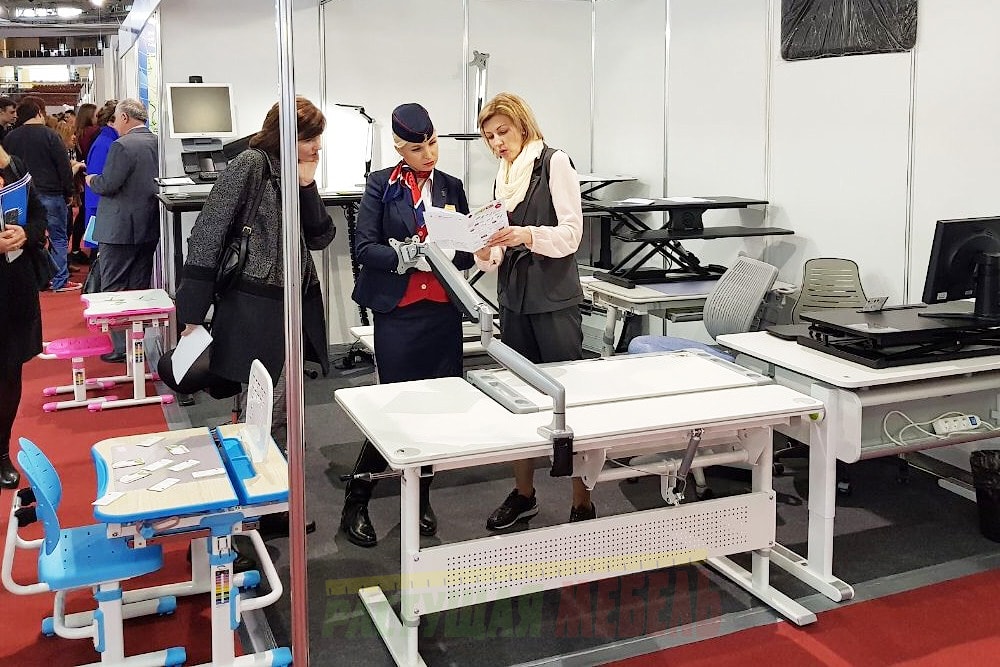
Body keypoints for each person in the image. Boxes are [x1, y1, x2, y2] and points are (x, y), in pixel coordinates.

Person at [339, 103, 474, 548]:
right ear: (400, 148)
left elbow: (466, 251)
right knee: (394, 408)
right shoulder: (382, 185)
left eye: (433, 144)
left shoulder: (451, 187)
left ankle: (420, 499)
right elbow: (365, 248)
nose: (428, 154)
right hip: (398, 312)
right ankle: (357, 498)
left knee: (437, 408)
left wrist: (466, 248)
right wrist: (406, 256)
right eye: (418, 149)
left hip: (442, 313)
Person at [176, 96, 335, 464]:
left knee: (278, 395)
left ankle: (272, 473)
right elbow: (208, 232)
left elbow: (320, 237)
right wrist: (192, 312)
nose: (317, 146)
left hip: (292, 300)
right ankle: (265, 476)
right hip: (255, 303)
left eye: (318, 137)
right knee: (268, 395)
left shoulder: (294, 172)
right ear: (285, 136)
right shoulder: (251, 164)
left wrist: (307, 185)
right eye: (309, 138)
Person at [474, 92, 592, 530]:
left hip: (554, 300)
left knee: (569, 403)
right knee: (519, 399)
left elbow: (571, 235)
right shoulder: (503, 177)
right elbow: (497, 251)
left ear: (523, 125)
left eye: (502, 132)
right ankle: (524, 494)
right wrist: (484, 249)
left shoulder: (555, 163)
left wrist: (527, 234)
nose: (497, 143)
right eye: (489, 137)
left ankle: (582, 500)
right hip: (514, 301)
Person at [85, 99, 159, 363]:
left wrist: (91, 180)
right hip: (148, 225)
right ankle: (138, 345)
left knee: (114, 287)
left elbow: (108, 184)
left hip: (118, 229)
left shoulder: (122, 145)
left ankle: (121, 347)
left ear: (125, 117)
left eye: (116, 119)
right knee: (139, 286)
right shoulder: (157, 142)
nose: (114, 124)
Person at [0, 143, 46, 488]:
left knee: (8, 376)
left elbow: (40, 216)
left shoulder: (14, 167)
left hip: (13, 288)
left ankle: (1, 452)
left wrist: (26, 233)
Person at [3, 96, 81, 292]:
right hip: (51, 193)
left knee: (26, 239)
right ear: (39, 112)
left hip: (21, 196)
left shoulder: (10, 137)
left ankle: (39, 279)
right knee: (59, 238)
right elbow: (63, 166)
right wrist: (69, 192)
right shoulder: (50, 135)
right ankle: (60, 280)